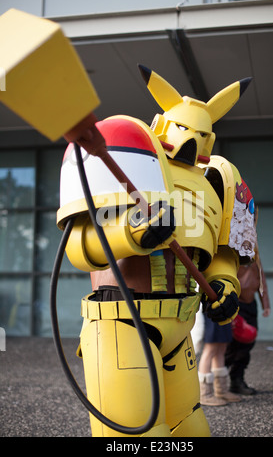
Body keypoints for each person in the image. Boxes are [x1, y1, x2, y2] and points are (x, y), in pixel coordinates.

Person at [57, 65, 255, 437]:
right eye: (185, 130)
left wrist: (224, 285)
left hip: (180, 327)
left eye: (202, 133)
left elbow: (221, 252)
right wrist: (131, 232)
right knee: (138, 437)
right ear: (163, 125)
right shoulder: (129, 156)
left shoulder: (218, 181)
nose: (192, 140)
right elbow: (78, 246)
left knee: (189, 429)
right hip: (123, 323)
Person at [225, 249, 271, 395]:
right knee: (231, 346)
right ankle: (218, 381)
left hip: (251, 306)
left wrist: (266, 305)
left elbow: (262, 281)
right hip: (237, 305)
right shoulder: (233, 258)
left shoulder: (255, 258)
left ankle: (237, 380)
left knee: (248, 342)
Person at [198, 314, 242, 406]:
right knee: (210, 349)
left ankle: (221, 390)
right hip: (213, 310)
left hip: (224, 310)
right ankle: (205, 394)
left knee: (221, 348)